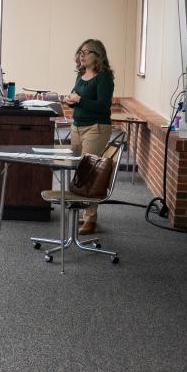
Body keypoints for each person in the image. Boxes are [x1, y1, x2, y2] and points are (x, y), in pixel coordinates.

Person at [64, 38, 115, 235]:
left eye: (86, 52)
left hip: (96, 128)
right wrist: (71, 101)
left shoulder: (103, 78)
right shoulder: (81, 75)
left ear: (97, 56)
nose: (82, 55)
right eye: (80, 52)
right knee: (79, 170)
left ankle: (90, 219)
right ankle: (82, 212)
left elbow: (103, 106)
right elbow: (77, 98)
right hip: (77, 127)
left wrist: (80, 100)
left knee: (89, 173)